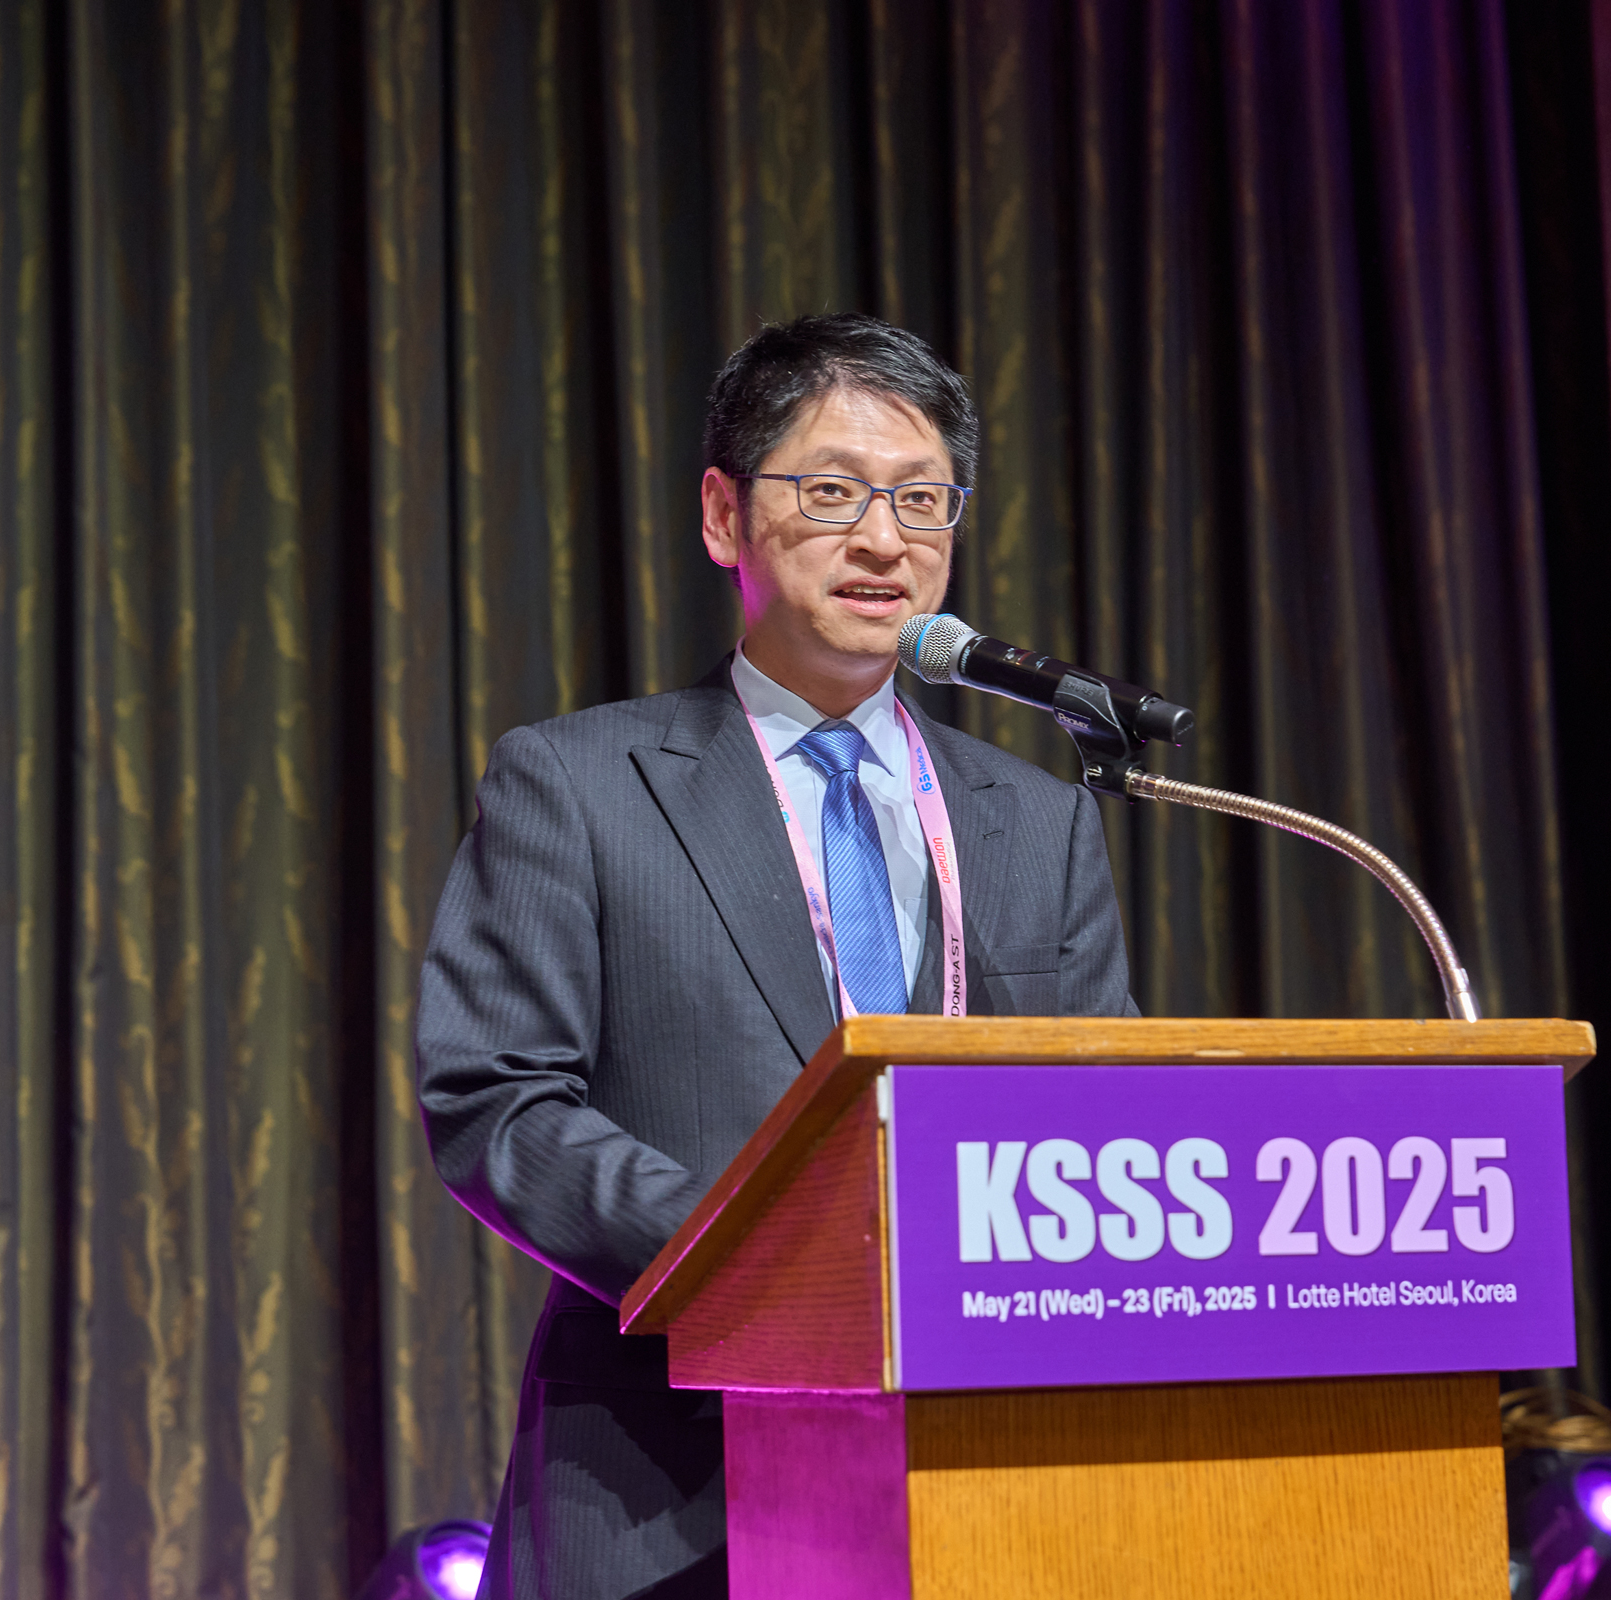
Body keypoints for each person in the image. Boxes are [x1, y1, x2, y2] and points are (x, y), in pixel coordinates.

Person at [417, 313, 1138, 1600]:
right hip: (665, 1491)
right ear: (723, 515)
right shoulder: (579, 783)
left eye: (922, 499)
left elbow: (1101, 1124)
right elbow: (496, 1102)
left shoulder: (1035, 821)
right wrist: (763, 1260)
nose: (885, 540)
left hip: (988, 1486)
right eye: (833, 491)